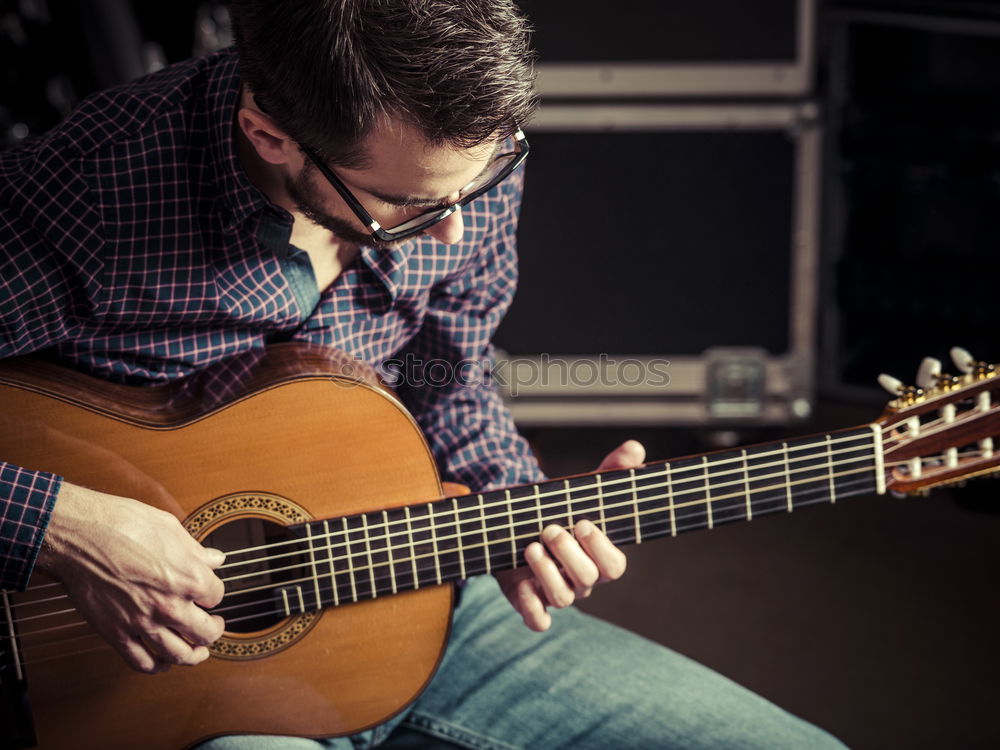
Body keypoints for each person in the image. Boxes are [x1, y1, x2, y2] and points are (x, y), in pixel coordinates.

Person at [0, 1, 848, 747]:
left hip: (410, 579)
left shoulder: (464, 159)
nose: (452, 233)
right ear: (271, 136)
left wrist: (517, 510)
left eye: (476, 184)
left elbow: (447, 372)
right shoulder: (94, 194)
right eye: (408, 207)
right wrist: (62, 526)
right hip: (144, 677)